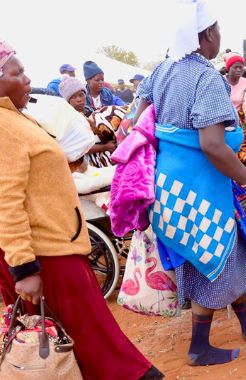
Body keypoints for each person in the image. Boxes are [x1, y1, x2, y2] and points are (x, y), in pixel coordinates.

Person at [134, 0, 246, 366]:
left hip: (168, 184)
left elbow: (135, 121)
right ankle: (199, 347)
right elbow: (213, 145)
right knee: (209, 254)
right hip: (197, 186)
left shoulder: (162, 70)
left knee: (222, 250)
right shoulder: (205, 77)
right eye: (217, 30)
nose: (220, 36)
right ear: (205, 36)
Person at [0, 39, 163, 380]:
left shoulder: (16, 118)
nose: (28, 79)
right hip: (43, 255)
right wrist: (24, 269)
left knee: (81, 342)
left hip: (54, 247)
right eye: (19, 73)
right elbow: (6, 201)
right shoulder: (3, 127)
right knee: (95, 342)